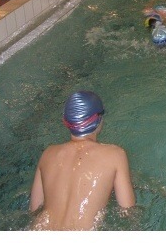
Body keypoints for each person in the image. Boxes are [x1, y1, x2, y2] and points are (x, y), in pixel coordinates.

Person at [29, 91, 136, 230]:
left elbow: (34, 210)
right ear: (99, 119)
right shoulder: (116, 155)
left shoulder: (47, 153)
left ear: (65, 121)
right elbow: (128, 212)